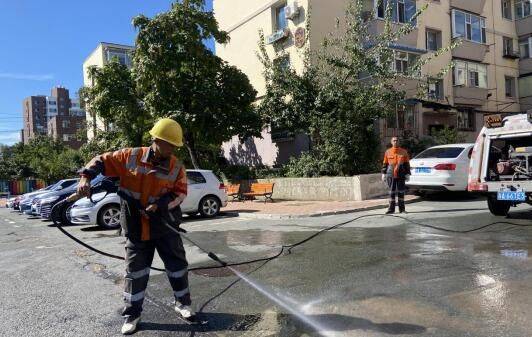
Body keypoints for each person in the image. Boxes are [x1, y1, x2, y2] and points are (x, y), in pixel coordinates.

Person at [76, 118, 193, 335]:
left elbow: (181, 192)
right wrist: (85, 177)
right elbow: (101, 160)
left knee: (177, 266)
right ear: (157, 140)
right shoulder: (130, 156)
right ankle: (132, 314)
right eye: (169, 145)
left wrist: (160, 204)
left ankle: (183, 304)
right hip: (135, 225)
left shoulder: (176, 166)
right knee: (135, 272)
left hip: (164, 225)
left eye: (174, 146)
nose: (172, 150)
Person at [381, 136, 411, 214]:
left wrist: (408, 173)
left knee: (401, 192)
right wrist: (383, 173)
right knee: (391, 192)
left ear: (399, 142)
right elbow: (385, 163)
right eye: (394, 141)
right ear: (391, 142)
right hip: (390, 174)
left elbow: (407, 164)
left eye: (397, 140)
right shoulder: (387, 152)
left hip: (401, 174)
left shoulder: (404, 151)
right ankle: (391, 210)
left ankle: (402, 210)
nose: (395, 142)